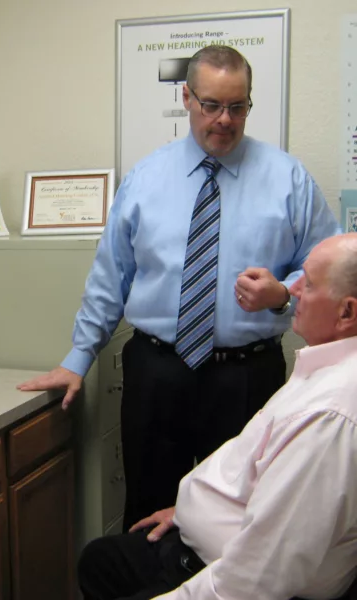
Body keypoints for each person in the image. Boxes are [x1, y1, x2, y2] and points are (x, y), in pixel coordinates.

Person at [18, 45, 341, 530]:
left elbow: (330, 268)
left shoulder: (288, 180)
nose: (225, 120)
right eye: (211, 105)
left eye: (238, 106)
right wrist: (77, 358)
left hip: (247, 379)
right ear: (187, 97)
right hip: (156, 375)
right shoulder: (146, 179)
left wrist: (284, 293)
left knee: (238, 521)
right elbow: (110, 277)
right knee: (148, 517)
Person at [77, 233, 357, 600]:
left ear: (347, 312)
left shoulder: (330, 415)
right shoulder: (324, 370)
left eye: (309, 282)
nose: (293, 290)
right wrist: (194, 511)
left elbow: (257, 577)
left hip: (226, 576)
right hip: (208, 538)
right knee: (100, 560)